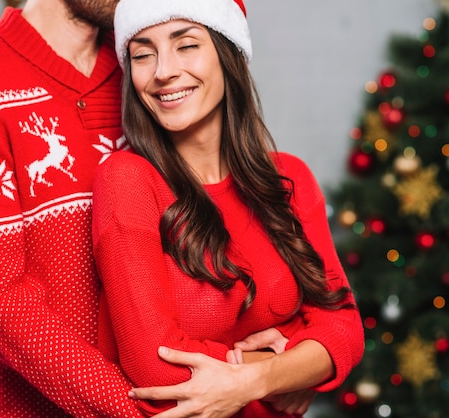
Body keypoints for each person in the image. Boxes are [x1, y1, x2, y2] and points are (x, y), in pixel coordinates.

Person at [0, 0, 269, 416]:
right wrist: (166, 410)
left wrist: (267, 372)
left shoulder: (148, 71)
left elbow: (219, 232)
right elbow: (4, 309)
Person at [92, 0, 365, 416]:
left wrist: (257, 379)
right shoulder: (127, 179)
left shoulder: (288, 179)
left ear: (228, 54)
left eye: (186, 45)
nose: (163, 70)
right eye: (143, 54)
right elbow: (155, 367)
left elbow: (344, 329)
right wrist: (286, 364)